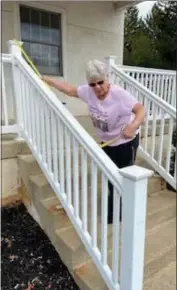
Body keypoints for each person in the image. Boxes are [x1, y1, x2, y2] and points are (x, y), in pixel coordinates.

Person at [42, 59, 145, 224]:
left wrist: (132, 126)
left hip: (125, 142)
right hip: (107, 141)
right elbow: (69, 90)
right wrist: (49, 80)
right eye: (92, 84)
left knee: (121, 179)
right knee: (110, 177)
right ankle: (115, 211)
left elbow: (140, 109)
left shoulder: (119, 94)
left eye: (100, 82)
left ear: (107, 79)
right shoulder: (88, 92)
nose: (97, 87)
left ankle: (119, 215)